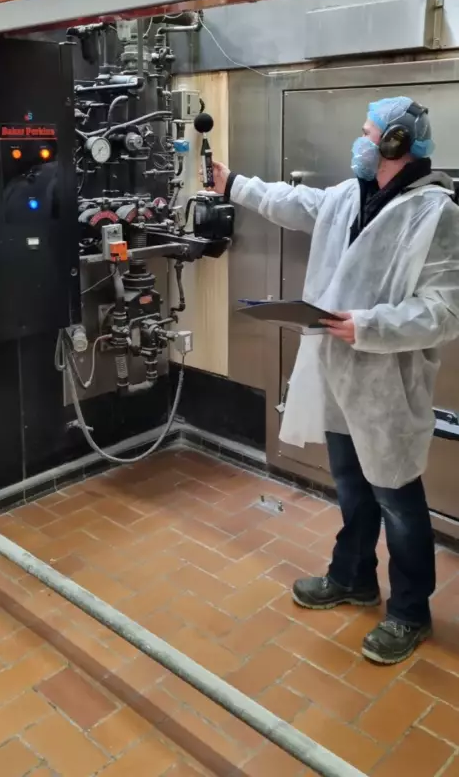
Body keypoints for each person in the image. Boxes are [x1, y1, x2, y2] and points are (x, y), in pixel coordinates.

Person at [211, 97, 459, 665]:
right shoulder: (349, 195)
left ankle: (410, 612)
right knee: (350, 485)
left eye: (368, 133)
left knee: (398, 500)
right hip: (336, 373)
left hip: (386, 385)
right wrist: (234, 185)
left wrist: (368, 326)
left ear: (395, 145)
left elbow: (445, 312)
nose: (360, 140)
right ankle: (353, 578)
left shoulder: (435, 214)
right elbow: (293, 202)